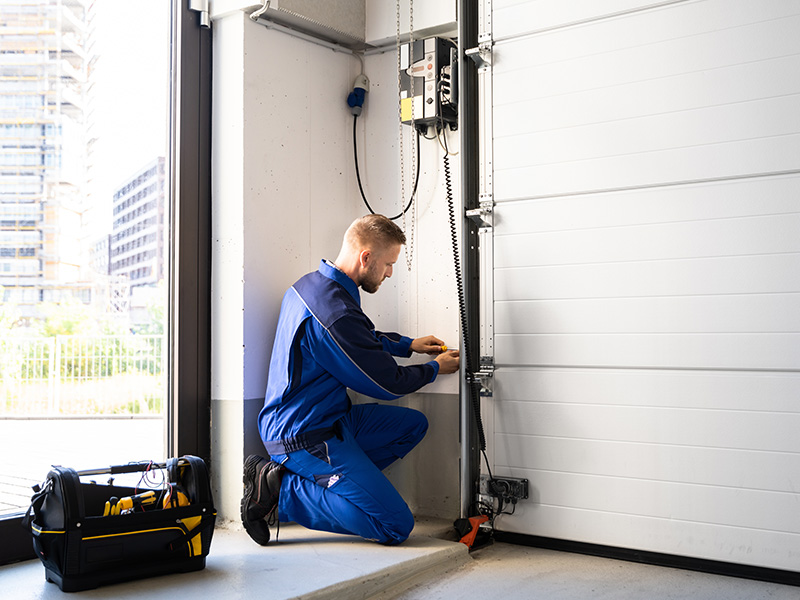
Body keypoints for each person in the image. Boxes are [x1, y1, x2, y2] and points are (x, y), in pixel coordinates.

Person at [241, 214, 460, 546]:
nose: (389, 273)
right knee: (395, 525)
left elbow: (359, 338)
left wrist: (408, 345)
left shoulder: (312, 286)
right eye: (388, 264)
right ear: (366, 257)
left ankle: (340, 488)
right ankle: (281, 493)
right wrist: (433, 369)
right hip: (303, 436)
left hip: (331, 419)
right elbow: (387, 384)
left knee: (412, 425)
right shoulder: (334, 313)